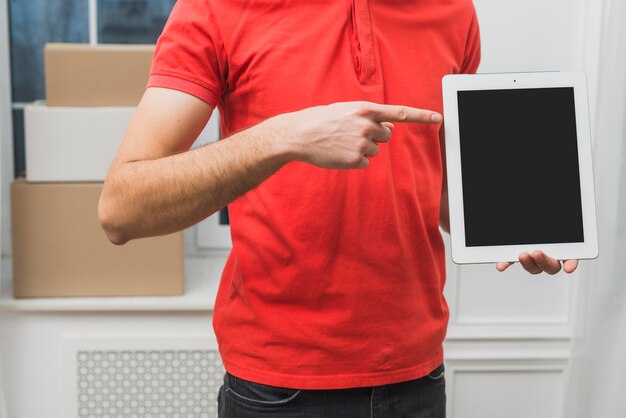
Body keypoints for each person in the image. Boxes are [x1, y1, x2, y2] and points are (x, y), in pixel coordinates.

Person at [99, 0, 579, 416]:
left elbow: (431, 182)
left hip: (417, 377)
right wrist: (282, 137)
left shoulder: (454, 12)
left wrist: (518, 226)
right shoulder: (217, 9)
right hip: (277, 389)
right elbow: (122, 209)